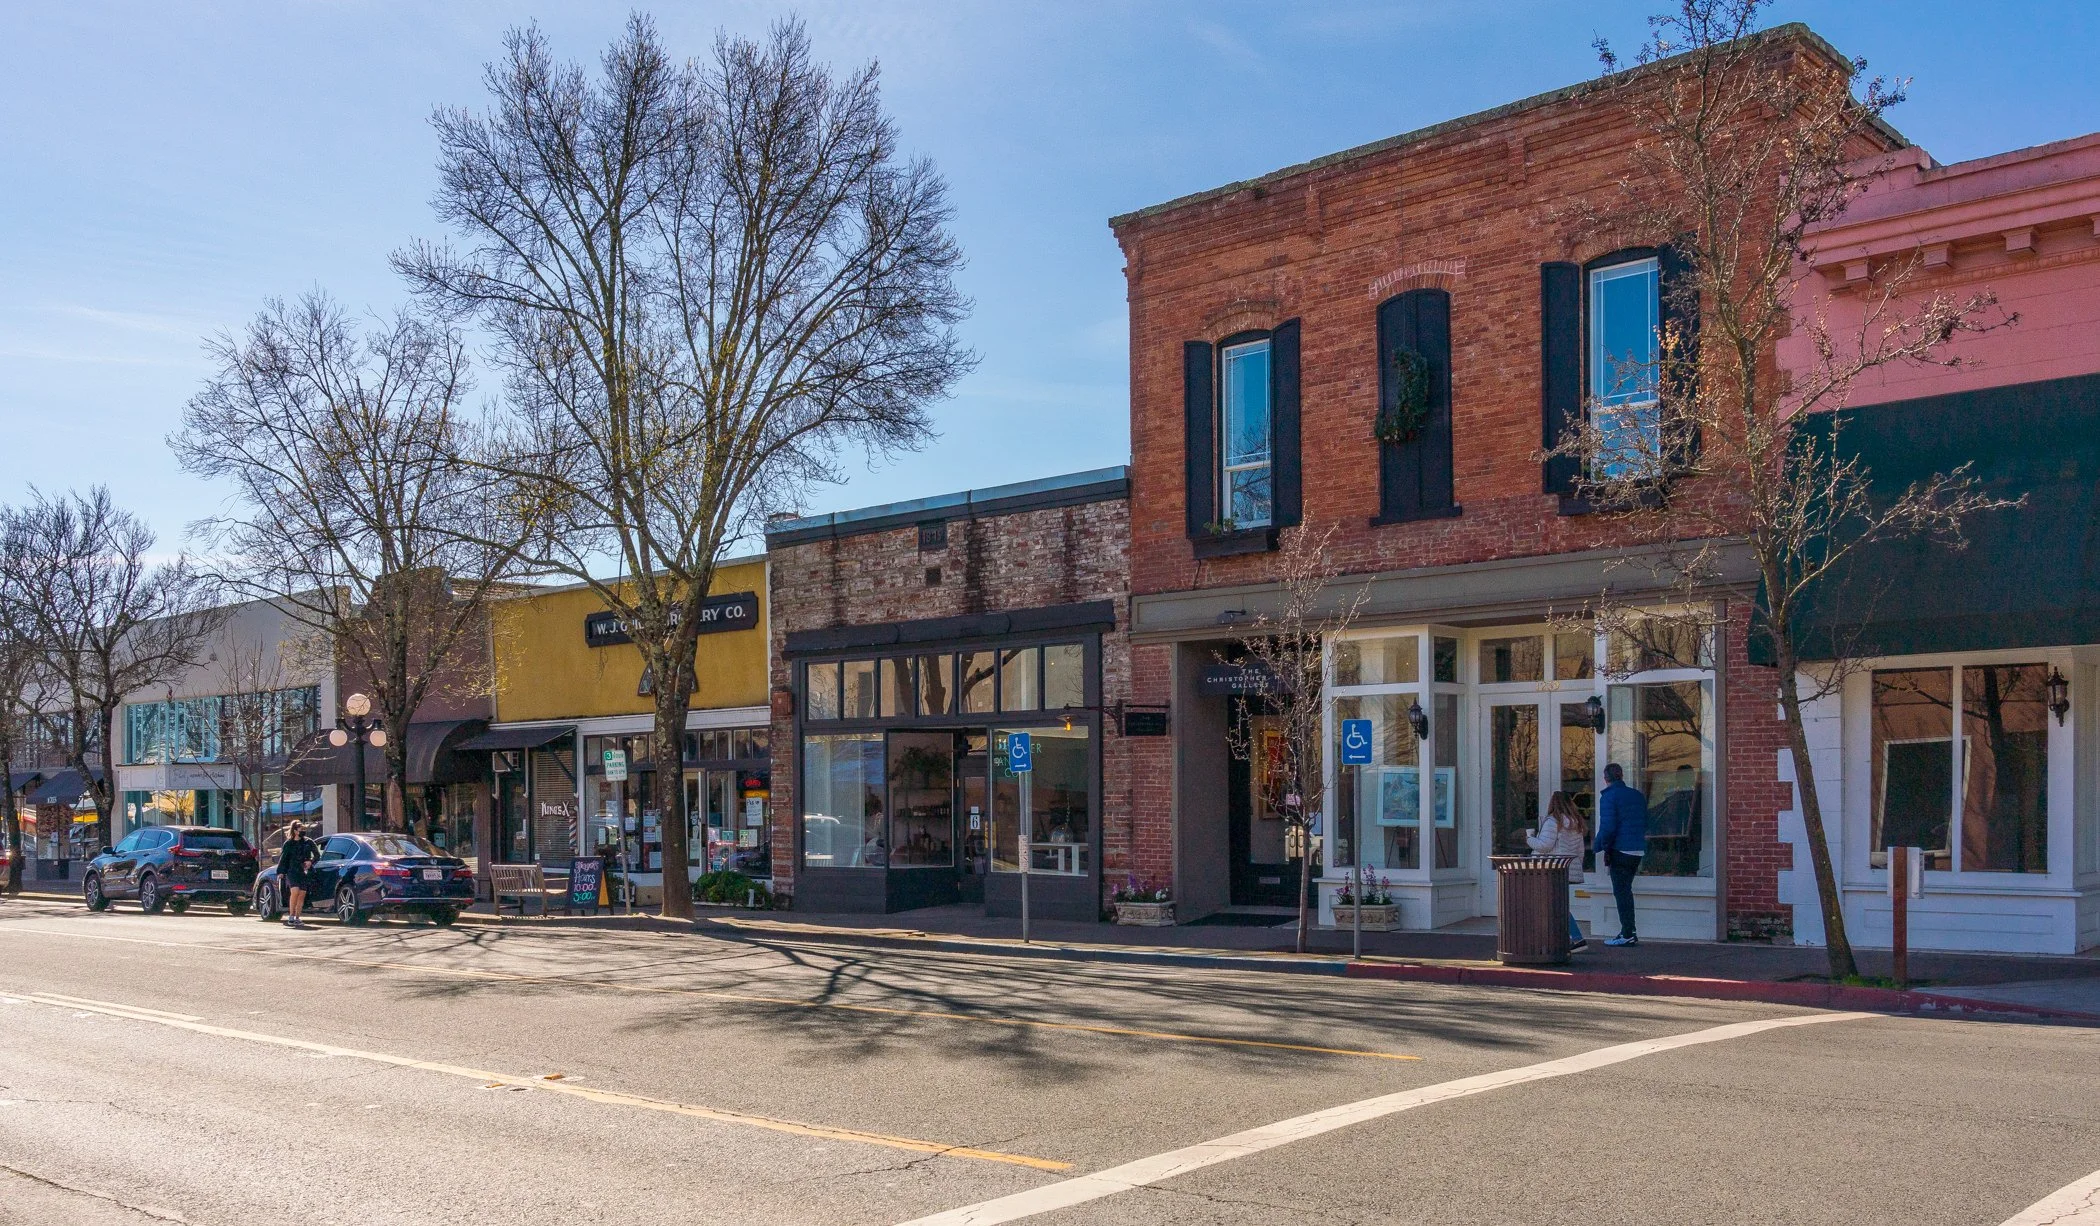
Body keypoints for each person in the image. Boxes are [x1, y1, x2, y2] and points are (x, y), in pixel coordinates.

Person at [1593, 763, 1648, 946]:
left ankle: (1628, 933)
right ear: (1621, 776)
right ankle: (1628, 931)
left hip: (1620, 849)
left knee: (1622, 892)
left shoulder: (1609, 797)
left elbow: (1608, 827)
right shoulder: (1637, 795)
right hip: (1637, 849)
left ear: (1606, 778)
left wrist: (1598, 846)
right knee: (1626, 891)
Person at [1527, 790, 1589, 951]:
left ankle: (1573, 939)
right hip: (1567, 869)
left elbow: (1544, 846)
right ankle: (1572, 939)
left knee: (1552, 905)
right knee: (1558, 904)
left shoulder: (1552, 821)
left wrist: (1529, 838)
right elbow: (1580, 851)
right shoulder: (1577, 823)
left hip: (1551, 869)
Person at [277, 821, 319, 928]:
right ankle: (291, 916)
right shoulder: (288, 843)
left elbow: (317, 855)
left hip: (304, 871)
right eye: (301, 830)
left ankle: (297, 917)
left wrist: (310, 862)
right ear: (295, 831)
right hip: (292, 871)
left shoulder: (308, 842)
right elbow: (283, 859)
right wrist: (281, 872)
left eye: (304, 830)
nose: (303, 832)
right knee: (295, 891)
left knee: (302, 894)